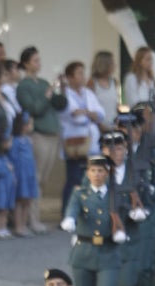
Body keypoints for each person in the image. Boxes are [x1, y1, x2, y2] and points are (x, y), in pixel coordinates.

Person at [61, 153, 122, 286]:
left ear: (107, 173)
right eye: (93, 171)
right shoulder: (80, 193)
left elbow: (126, 217)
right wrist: (69, 219)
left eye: (101, 171)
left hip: (108, 253)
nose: (97, 175)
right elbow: (73, 209)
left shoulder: (115, 195)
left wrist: (125, 227)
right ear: (88, 173)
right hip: (84, 254)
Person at [15, 47, 67, 232]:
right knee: (35, 178)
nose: (39, 63)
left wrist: (61, 88)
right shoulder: (24, 86)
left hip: (53, 133)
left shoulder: (44, 82)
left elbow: (60, 105)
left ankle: (34, 215)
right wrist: (47, 96)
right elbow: (34, 109)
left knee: (43, 178)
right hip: (39, 134)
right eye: (35, 60)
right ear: (27, 63)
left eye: (39, 60)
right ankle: (31, 218)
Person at [59, 62, 105, 216]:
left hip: (91, 143)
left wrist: (86, 113)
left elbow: (100, 114)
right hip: (75, 143)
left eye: (83, 73)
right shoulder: (65, 94)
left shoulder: (88, 93)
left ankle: (85, 213)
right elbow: (75, 117)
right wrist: (89, 114)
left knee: (89, 180)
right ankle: (68, 214)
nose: (83, 76)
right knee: (74, 180)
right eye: (79, 73)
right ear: (70, 77)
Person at [9, 111, 38, 236]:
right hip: (20, 173)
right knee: (19, 200)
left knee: (27, 199)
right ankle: (18, 225)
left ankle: (24, 224)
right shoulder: (15, 141)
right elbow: (13, 157)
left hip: (29, 172)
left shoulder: (28, 140)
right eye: (29, 124)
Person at [89, 50, 120, 126]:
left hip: (113, 125)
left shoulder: (114, 82)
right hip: (98, 127)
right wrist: (100, 126)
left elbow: (116, 104)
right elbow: (90, 108)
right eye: (112, 63)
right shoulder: (92, 83)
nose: (115, 65)